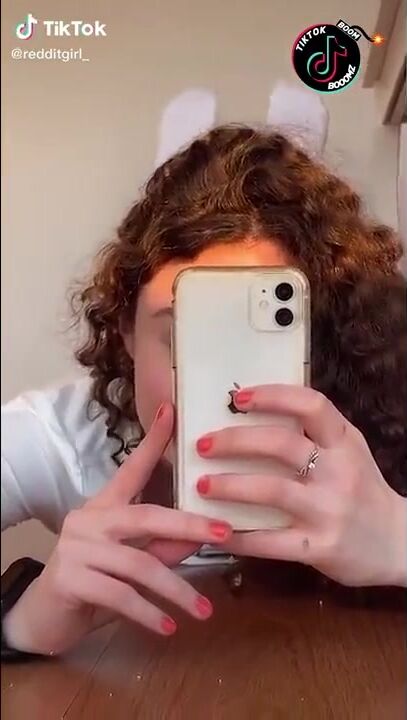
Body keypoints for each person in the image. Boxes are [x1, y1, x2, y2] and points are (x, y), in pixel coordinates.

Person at [2, 126, 406, 659]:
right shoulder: (63, 438)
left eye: (253, 344)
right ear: (126, 331)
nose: (231, 393)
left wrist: (398, 540)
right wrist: (22, 624)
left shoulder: (380, 413)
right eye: (182, 337)